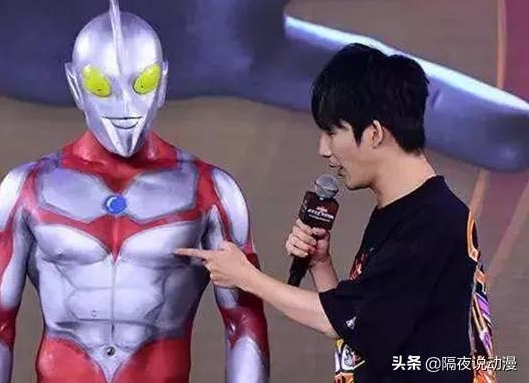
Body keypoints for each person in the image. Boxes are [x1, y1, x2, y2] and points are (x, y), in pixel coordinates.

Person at [0, 0, 269, 383]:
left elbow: (244, 325)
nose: (125, 103)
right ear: (76, 84)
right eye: (101, 85)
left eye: (142, 83)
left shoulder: (213, 192)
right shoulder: (26, 189)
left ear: (163, 81)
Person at [176, 43, 496, 382]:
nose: (323, 149)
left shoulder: (434, 222)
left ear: (374, 134)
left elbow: (343, 320)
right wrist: (320, 264)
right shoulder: (403, 212)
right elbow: (361, 329)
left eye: (331, 133)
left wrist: (246, 277)